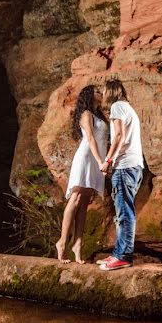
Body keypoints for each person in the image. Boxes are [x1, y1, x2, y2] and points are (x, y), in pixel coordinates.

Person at [56, 85, 108, 264]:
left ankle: (77, 244)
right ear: (89, 95)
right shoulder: (86, 114)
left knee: (85, 202)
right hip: (86, 157)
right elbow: (91, 139)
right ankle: (62, 242)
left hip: (97, 159)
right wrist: (101, 161)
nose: (100, 94)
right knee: (76, 198)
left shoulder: (99, 115)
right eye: (97, 92)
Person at [98, 79, 144, 271]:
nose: (101, 95)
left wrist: (108, 160)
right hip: (134, 166)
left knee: (124, 212)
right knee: (123, 211)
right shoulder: (128, 108)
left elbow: (119, 136)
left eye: (103, 92)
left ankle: (123, 256)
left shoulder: (117, 107)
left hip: (125, 166)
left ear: (109, 92)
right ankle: (119, 253)